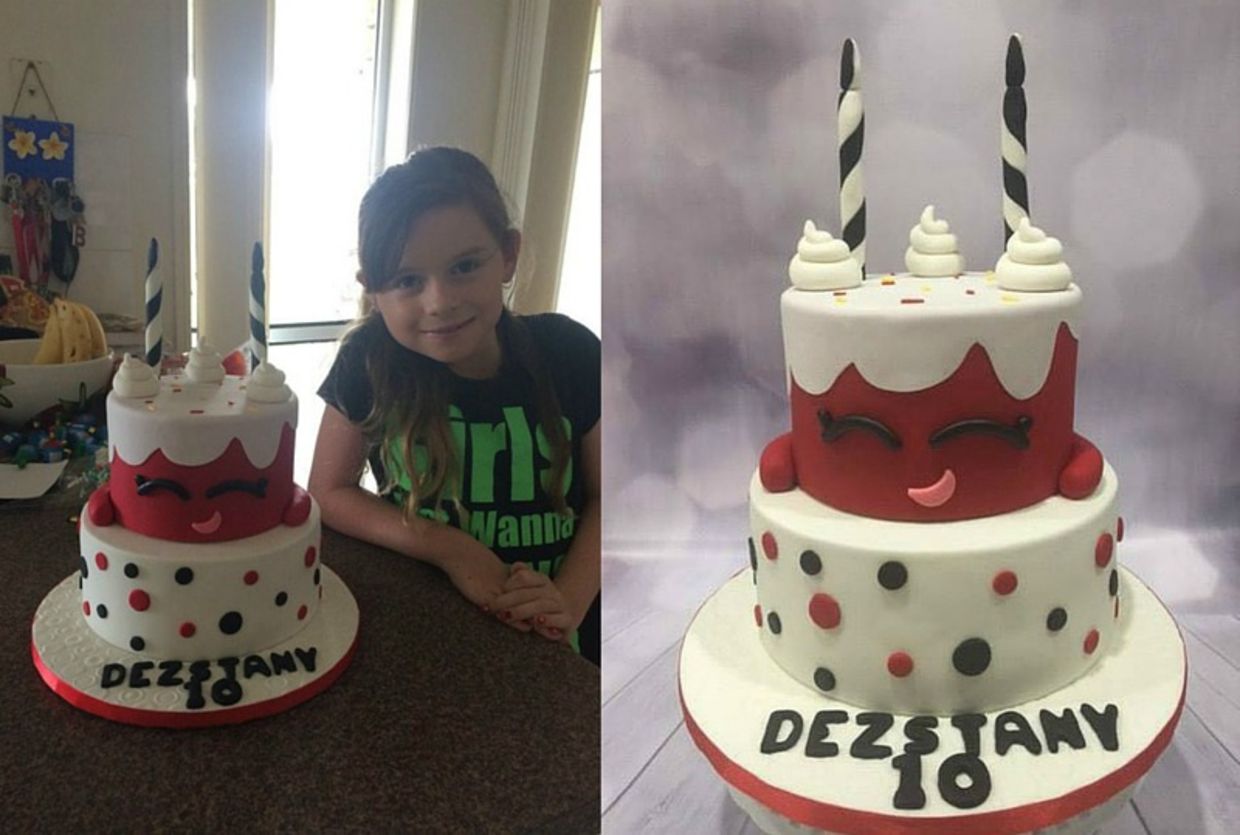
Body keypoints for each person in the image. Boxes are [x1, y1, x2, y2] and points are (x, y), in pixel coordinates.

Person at [309, 146, 600, 663]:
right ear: (373, 290)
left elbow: (613, 498)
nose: (439, 300)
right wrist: (450, 548)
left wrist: (567, 604)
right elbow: (329, 491)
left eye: (464, 266)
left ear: (508, 254)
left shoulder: (570, 352)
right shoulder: (367, 361)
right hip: (429, 629)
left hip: (566, 640)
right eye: (407, 280)